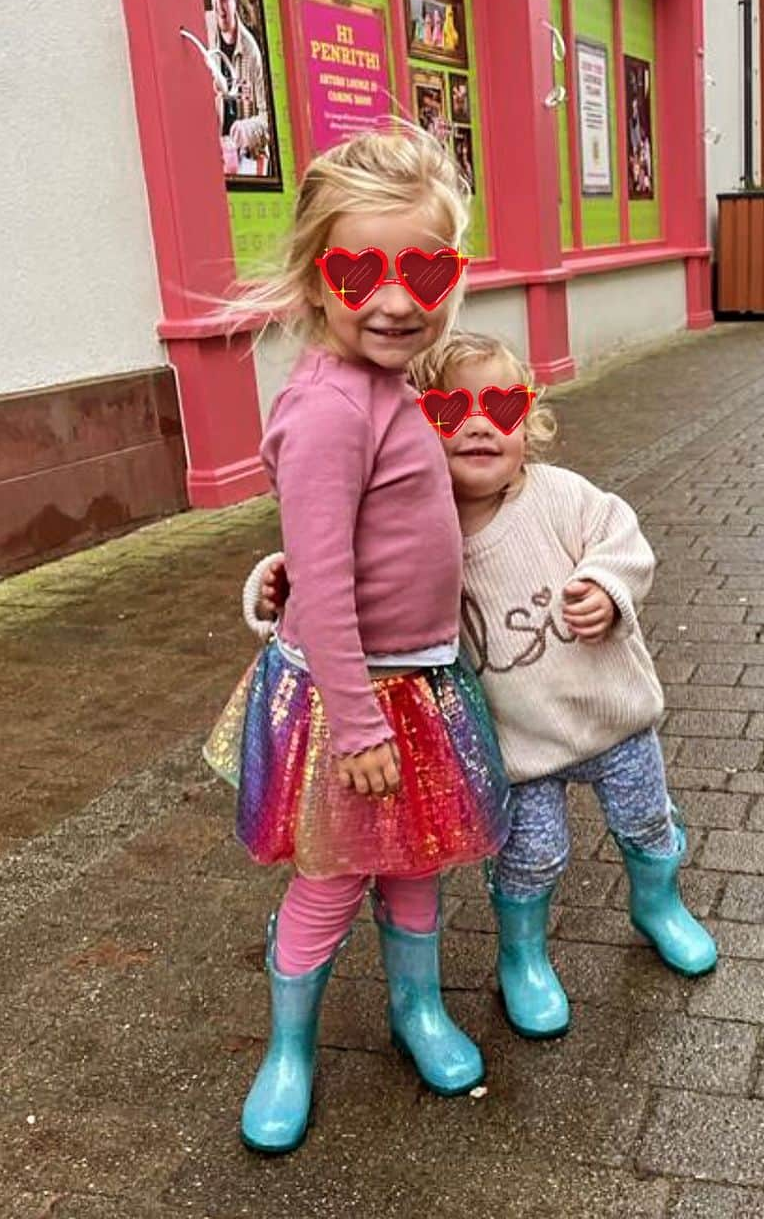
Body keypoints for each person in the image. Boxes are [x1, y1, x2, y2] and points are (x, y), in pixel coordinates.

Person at [248, 331, 718, 1044]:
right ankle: (523, 956)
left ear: (528, 423)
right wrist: (277, 584)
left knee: (646, 820)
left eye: (500, 405)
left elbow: (622, 534)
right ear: (416, 430)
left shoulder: (560, 497)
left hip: (616, 722)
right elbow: (343, 573)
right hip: (521, 748)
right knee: (532, 855)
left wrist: (608, 584)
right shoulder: (419, 526)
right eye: (450, 408)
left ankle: (659, 905)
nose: (478, 423)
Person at [202, 123, 511, 1155]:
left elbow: (368, 537)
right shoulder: (333, 406)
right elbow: (327, 578)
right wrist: (355, 722)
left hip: (413, 686)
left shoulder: (389, 388)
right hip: (359, 702)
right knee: (333, 876)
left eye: (424, 266)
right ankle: (287, 1049)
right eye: (357, 268)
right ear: (314, 273)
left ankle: (416, 1009)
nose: (394, 297)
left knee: (417, 861)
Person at [206, 0, 271, 175]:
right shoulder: (205, 31)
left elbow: (269, 119)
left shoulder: (253, 52)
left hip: (246, 159)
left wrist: (246, 130)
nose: (219, 5)